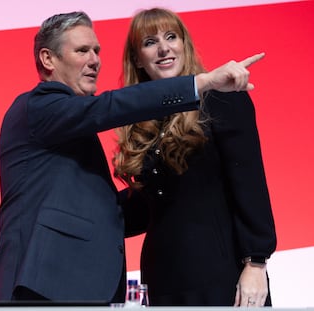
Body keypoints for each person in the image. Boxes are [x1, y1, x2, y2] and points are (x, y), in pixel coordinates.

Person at [0, 10, 266, 303]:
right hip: (40, 286)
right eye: (82, 50)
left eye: (97, 51)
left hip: (88, 286)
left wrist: (254, 258)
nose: (94, 60)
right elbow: (107, 107)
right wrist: (200, 83)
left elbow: (105, 209)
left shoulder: (68, 126)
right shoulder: (38, 108)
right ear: (48, 59)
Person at [113, 8, 277, 307]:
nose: (164, 48)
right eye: (150, 42)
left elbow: (249, 183)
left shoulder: (221, 97)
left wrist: (256, 263)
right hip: (162, 277)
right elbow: (149, 204)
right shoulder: (140, 120)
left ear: (184, 44)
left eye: (171, 37)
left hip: (220, 273)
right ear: (137, 58)